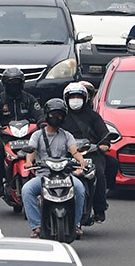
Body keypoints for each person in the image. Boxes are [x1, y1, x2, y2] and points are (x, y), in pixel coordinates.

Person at [23, 99, 88, 239]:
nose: (56, 118)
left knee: (80, 189)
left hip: (65, 175)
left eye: (60, 115)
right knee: (26, 190)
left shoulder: (67, 135)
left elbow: (75, 151)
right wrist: (29, 162)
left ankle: (76, 225)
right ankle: (37, 226)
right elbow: (31, 150)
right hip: (43, 175)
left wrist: (81, 161)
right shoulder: (37, 135)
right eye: (53, 114)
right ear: (47, 115)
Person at [0, 67, 44, 197]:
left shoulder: (29, 99)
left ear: (21, 84)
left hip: (28, 135)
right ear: (5, 85)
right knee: (0, 149)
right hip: (7, 136)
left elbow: (39, 113)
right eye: (10, 84)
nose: (13, 86)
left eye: (16, 83)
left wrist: (42, 123)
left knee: (40, 149)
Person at [61, 83, 111, 223]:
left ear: (85, 99)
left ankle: (100, 210)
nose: (75, 100)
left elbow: (104, 134)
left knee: (99, 174)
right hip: (68, 154)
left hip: (90, 154)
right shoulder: (62, 116)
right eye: (72, 97)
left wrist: (104, 144)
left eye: (78, 97)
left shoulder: (93, 117)